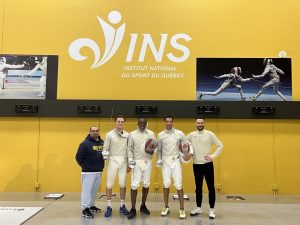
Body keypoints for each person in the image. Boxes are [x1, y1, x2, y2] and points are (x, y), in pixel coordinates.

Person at [157, 115, 193, 219]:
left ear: (173, 122)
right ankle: (166, 207)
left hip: (176, 161)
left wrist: (189, 154)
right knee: (166, 184)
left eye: (170, 121)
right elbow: (159, 149)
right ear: (165, 122)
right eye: (167, 121)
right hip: (165, 161)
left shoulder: (179, 133)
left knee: (178, 184)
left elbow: (187, 144)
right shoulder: (160, 135)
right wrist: (159, 159)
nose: (168, 123)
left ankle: (182, 209)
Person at [187, 116, 223, 219]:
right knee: (198, 188)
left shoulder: (210, 134)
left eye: (201, 123)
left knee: (211, 188)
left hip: (208, 165)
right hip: (196, 165)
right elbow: (184, 143)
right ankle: (198, 208)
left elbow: (220, 145)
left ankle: (212, 210)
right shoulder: (191, 135)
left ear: (204, 123)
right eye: (198, 123)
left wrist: (212, 156)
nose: (200, 125)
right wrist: (188, 153)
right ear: (195, 124)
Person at [127, 117, 156, 219]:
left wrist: (153, 151)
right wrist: (130, 161)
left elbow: (154, 147)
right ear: (137, 123)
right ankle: (133, 209)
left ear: (146, 123)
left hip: (148, 162)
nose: (142, 124)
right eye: (140, 123)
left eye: (144, 123)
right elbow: (129, 149)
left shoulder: (151, 133)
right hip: (136, 162)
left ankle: (143, 205)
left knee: (146, 184)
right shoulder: (132, 134)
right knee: (134, 185)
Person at [75, 126, 105, 219]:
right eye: (93, 131)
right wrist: (86, 166)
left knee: (94, 191)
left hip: (98, 171)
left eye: (96, 131)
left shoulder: (102, 142)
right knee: (87, 191)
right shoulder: (84, 144)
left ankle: (91, 206)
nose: (95, 132)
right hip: (88, 172)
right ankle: (85, 209)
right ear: (90, 132)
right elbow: (78, 158)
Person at [103, 115, 130, 217]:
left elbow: (129, 150)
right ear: (115, 122)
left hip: (123, 161)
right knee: (109, 184)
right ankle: (109, 206)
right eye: (118, 121)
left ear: (124, 123)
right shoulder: (109, 134)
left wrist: (129, 164)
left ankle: (122, 206)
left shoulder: (127, 135)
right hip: (112, 161)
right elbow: (105, 148)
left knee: (122, 184)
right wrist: (105, 154)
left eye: (122, 122)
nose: (120, 123)